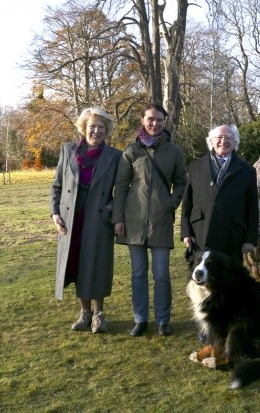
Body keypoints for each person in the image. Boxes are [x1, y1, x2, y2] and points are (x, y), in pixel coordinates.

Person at [113, 103, 187, 337]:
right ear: (143, 121)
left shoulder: (174, 151)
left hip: (161, 222)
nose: (154, 123)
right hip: (133, 222)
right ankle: (141, 319)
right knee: (137, 273)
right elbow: (121, 186)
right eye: (150, 119)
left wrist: (171, 204)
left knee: (162, 274)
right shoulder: (131, 150)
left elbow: (182, 183)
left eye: (159, 120)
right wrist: (118, 219)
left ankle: (163, 320)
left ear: (165, 123)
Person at [50, 107, 122, 334]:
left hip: (99, 219)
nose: (97, 131)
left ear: (107, 130)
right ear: (84, 128)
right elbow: (57, 185)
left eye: (101, 127)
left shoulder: (115, 156)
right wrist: (55, 213)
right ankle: (85, 313)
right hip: (71, 219)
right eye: (92, 126)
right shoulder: (67, 150)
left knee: (97, 264)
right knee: (77, 264)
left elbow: (121, 188)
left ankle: (99, 314)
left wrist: (112, 208)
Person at [181, 124, 259, 263]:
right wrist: (186, 232)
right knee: (202, 280)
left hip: (232, 236)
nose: (223, 141)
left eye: (229, 137)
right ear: (211, 141)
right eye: (219, 137)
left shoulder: (247, 171)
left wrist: (250, 239)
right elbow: (187, 202)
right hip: (201, 233)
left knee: (229, 279)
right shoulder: (196, 167)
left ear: (235, 142)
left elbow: (252, 208)